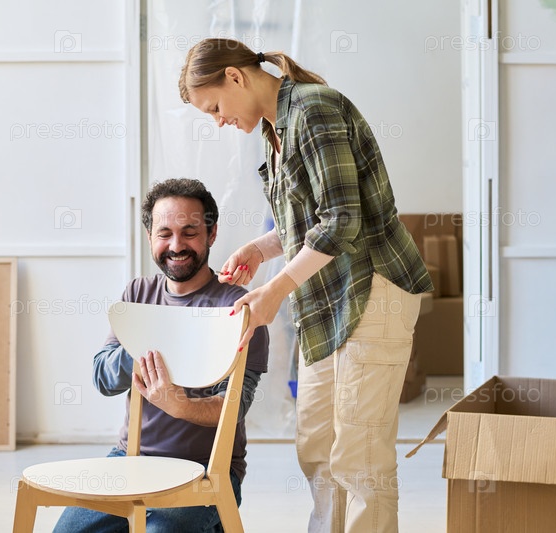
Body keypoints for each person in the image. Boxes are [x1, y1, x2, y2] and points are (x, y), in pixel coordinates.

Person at [179, 39, 434, 532]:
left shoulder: (314, 111)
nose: (218, 121)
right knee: (317, 444)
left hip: (371, 289)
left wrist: (274, 291)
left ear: (234, 77)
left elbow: (341, 220)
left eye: (213, 108)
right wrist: (259, 250)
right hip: (325, 301)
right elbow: (305, 221)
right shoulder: (273, 129)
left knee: (360, 453)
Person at [53, 178, 270, 533]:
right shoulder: (138, 294)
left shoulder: (239, 308)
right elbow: (103, 379)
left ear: (212, 234)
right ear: (150, 236)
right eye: (164, 233)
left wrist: (179, 404)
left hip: (205, 468)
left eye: (190, 232)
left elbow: (236, 406)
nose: (176, 245)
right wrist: (147, 338)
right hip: (130, 459)